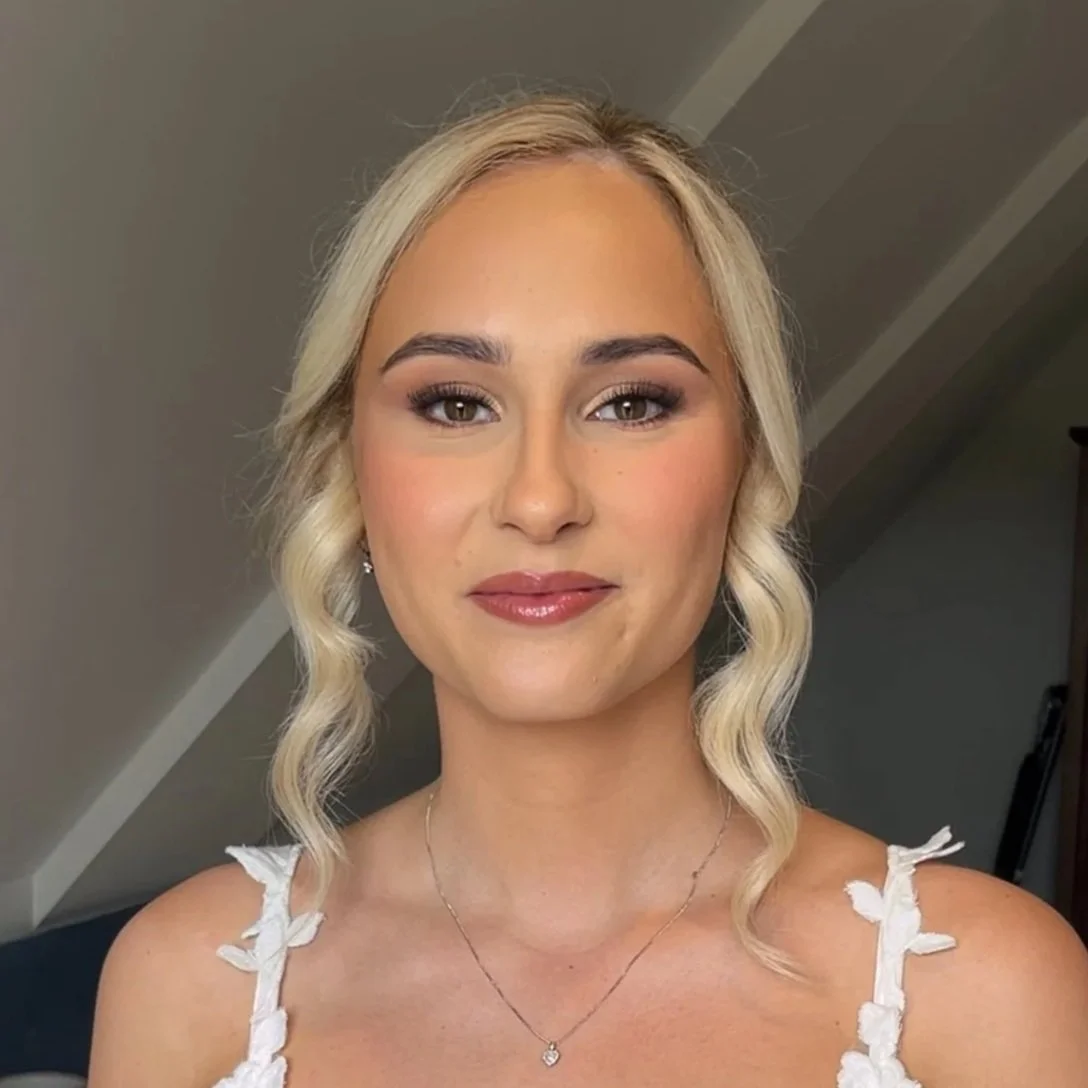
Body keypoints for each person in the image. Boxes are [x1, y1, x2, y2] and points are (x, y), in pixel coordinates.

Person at [87, 93, 1088, 1087]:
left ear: (743, 463)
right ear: (349, 473)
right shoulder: (188, 986)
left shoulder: (980, 991)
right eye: (453, 401)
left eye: (630, 401)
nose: (538, 497)